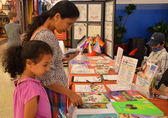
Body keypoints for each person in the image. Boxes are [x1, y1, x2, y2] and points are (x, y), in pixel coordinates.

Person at [23, 1, 82, 117]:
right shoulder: (45, 36)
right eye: (68, 24)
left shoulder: (47, 32)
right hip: (53, 92)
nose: (69, 29)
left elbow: (48, 63)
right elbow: (46, 77)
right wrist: (71, 94)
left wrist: (63, 59)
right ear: (57, 16)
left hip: (56, 91)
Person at [2, 40, 53, 118]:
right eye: (45, 65)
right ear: (29, 63)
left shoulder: (22, 83)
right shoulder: (32, 88)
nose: (48, 69)